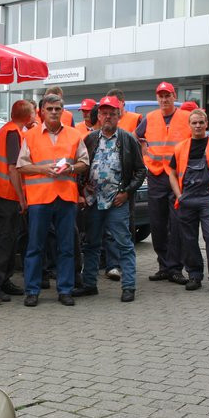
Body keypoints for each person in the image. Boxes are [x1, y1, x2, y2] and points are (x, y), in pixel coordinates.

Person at [18, 93, 89, 307]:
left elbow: (85, 162)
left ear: (62, 110)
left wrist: (71, 168)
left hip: (66, 197)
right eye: (50, 109)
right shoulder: (30, 136)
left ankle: (65, 290)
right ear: (41, 112)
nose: (54, 112)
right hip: (39, 199)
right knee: (35, 246)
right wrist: (42, 169)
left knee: (66, 246)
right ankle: (32, 290)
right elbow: (21, 166)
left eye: (57, 108)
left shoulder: (74, 135)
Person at [73, 96, 145, 302]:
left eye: (112, 114)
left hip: (117, 201)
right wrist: (81, 186)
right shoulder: (90, 139)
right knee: (91, 243)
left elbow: (141, 171)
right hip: (94, 201)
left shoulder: (128, 139)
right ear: (99, 116)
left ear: (118, 116)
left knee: (124, 243)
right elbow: (81, 165)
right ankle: (89, 284)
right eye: (104, 113)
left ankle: (129, 286)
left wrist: (127, 192)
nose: (107, 117)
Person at [135, 80, 191, 285]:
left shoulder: (186, 117)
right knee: (157, 224)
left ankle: (176, 268)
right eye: (161, 96)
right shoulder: (150, 118)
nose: (164, 99)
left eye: (168, 95)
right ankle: (163, 266)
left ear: (174, 97)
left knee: (176, 224)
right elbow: (137, 137)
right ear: (157, 98)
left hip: (178, 177)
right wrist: (144, 155)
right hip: (157, 176)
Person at [169, 109, 209, 294]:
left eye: (201, 122)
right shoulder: (180, 147)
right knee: (188, 239)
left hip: (207, 199)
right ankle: (194, 275)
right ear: (189, 125)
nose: (197, 126)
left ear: (207, 123)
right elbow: (171, 173)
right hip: (187, 199)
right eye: (194, 123)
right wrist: (179, 196)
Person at [0, 100, 34, 302]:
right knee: (3, 240)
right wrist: (22, 199)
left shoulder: (9, 130)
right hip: (6, 195)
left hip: (2, 193)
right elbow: (13, 168)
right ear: (27, 116)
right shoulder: (13, 132)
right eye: (33, 112)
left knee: (8, 239)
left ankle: (3, 280)